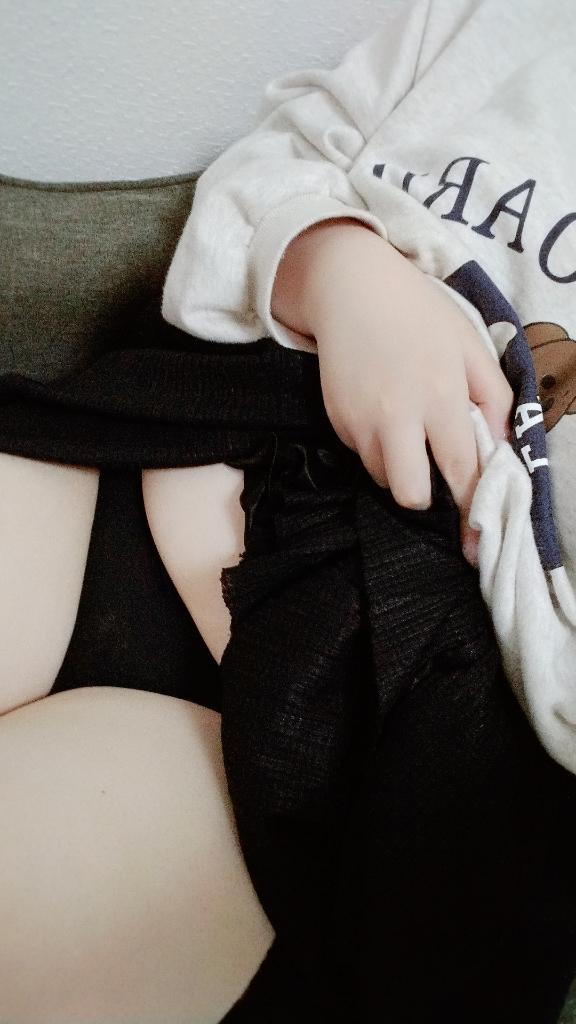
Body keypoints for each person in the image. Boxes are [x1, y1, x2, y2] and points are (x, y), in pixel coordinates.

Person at [1, 1, 576, 1021]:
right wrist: (338, 264)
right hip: (135, 455)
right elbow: (273, 168)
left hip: (334, 757)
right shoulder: (505, 23)